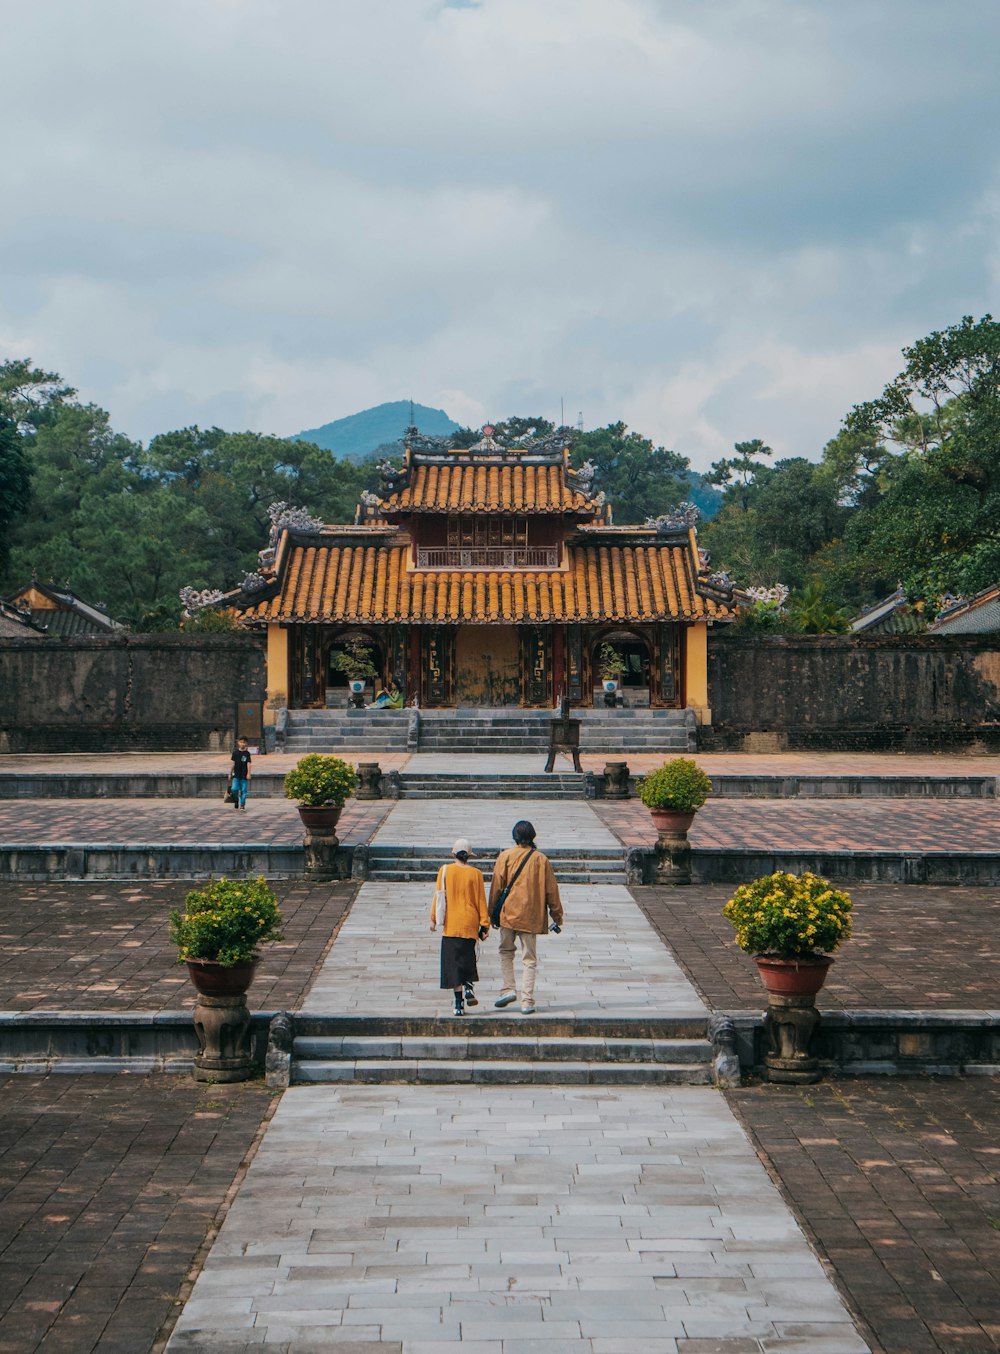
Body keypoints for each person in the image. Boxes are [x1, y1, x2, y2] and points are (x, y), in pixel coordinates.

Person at [489, 819, 563, 1015]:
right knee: (529, 959)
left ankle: (508, 988)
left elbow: (496, 887)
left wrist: (490, 914)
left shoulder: (505, 856)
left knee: (506, 951)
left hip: (508, 914)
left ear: (515, 837)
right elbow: (551, 891)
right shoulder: (541, 859)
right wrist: (557, 915)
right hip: (531, 915)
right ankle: (527, 1000)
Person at [430, 838, 490, 1016]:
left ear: (453, 853)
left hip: (451, 924)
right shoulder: (476, 874)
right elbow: (481, 900)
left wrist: (433, 919)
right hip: (470, 923)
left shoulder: (445, 870)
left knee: (453, 965)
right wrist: (484, 925)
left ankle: (458, 1004)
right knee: (468, 958)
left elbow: (439, 897)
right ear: (470, 856)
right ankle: (469, 985)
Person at [230, 736, 252, 812]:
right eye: (241, 742)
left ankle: (242, 805)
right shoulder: (235, 752)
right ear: (238, 743)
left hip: (243, 776)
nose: (242, 744)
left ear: (246, 744)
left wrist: (248, 773)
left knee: (244, 791)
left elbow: (248, 763)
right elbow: (233, 763)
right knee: (234, 789)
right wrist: (230, 773)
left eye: (244, 742)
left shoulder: (247, 754)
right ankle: (236, 800)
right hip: (236, 775)